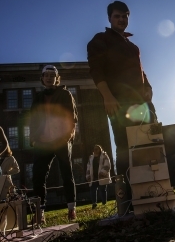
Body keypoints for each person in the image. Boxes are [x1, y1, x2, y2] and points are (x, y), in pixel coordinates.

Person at [87, 1, 156, 209]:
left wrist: (148, 87)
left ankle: (151, 193)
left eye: (125, 16)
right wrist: (107, 96)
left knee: (147, 146)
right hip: (118, 103)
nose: (121, 19)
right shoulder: (100, 40)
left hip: (141, 105)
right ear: (109, 18)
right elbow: (96, 70)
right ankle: (125, 201)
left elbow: (140, 72)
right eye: (117, 16)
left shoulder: (133, 47)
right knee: (125, 148)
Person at [29, 65, 78, 222]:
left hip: (60, 140)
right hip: (42, 143)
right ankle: (40, 212)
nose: (49, 77)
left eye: (52, 75)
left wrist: (68, 136)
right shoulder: (38, 97)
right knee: (38, 176)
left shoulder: (65, 94)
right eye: (46, 75)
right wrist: (34, 138)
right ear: (42, 79)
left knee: (66, 174)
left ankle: (71, 209)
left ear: (57, 78)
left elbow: (72, 117)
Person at [86, 145, 112, 209]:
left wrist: (103, 172)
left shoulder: (104, 156)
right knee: (92, 190)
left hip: (101, 176)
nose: (95, 150)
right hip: (93, 177)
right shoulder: (91, 158)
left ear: (100, 149)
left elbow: (107, 165)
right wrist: (88, 176)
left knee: (103, 190)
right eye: (94, 149)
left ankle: (104, 203)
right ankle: (94, 203)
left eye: (97, 149)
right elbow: (88, 168)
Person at [0, 127, 20, 198]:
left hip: (6, 181)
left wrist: (8, 173)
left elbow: (17, 169)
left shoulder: (10, 158)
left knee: (8, 198)